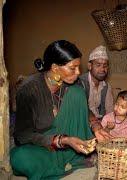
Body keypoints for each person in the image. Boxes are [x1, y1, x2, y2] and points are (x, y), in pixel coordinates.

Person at [10, 40, 94, 179]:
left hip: (69, 142)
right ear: (55, 68)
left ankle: (69, 155)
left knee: (77, 93)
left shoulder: (73, 84)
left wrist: (96, 125)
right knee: (21, 158)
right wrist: (62, 141)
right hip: (42, 143)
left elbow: (84, 109)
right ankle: (62, 159)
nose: (78, 72)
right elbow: (23, 135)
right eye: (73, 68)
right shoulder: (29, 90)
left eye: (79, 67)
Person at [78, 45, 113, 120]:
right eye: (98, 65)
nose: (102, 69)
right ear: (90, 66)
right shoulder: (80, 83)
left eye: (105, 65)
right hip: (82, 122)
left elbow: (109, 111)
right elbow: (79, 109)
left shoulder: (106, 86)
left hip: (100, 123)